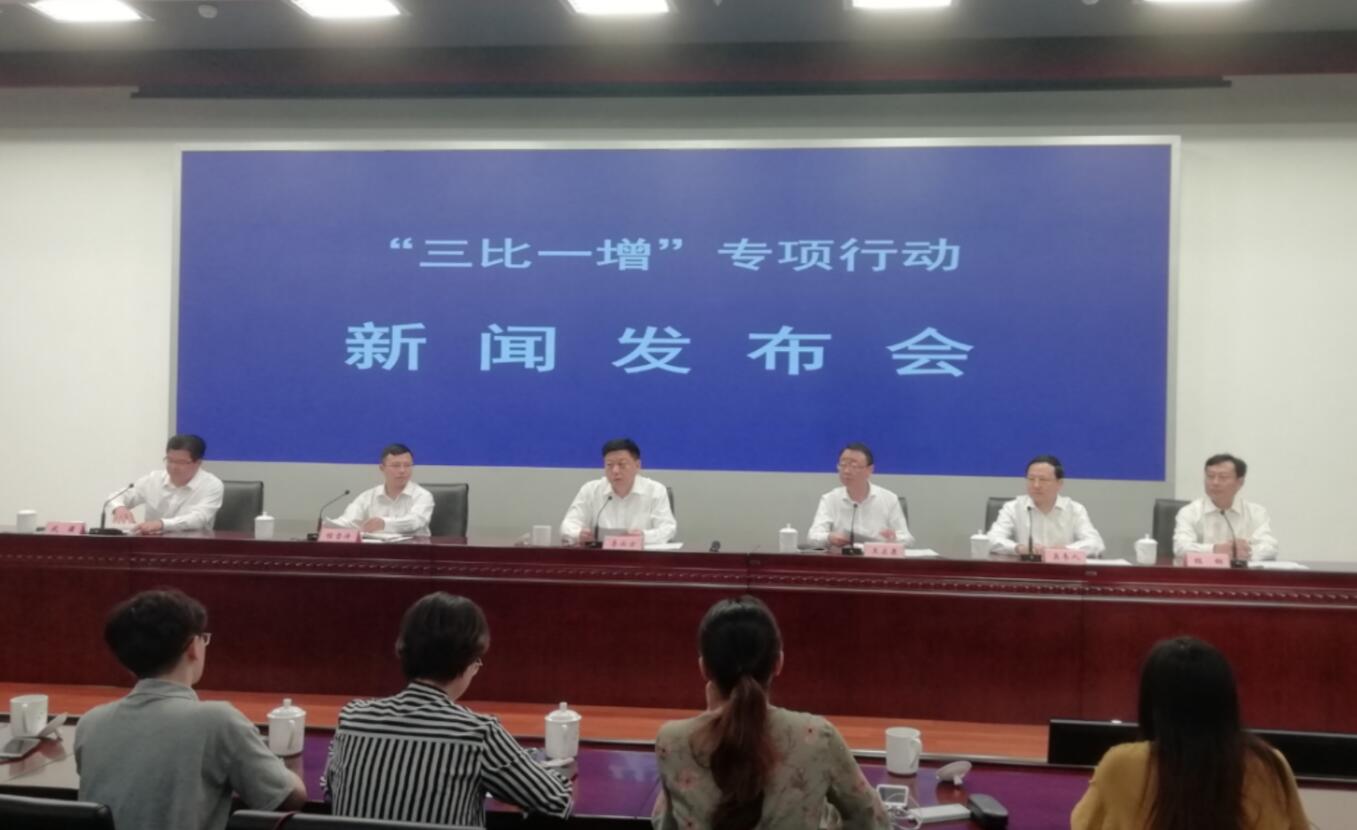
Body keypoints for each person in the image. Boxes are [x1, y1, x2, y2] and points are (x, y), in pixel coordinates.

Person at [324, 592, 572, 827]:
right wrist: (542, 773)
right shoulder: (478, 733)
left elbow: (331, 788)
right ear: (468, 662)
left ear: (403, 650)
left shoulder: (352, 719)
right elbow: (555, 801)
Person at [75, 589, 306, 830]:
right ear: (193, 646)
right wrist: (288, 763)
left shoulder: (90, 723)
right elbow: (288, 798)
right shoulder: (217, 721)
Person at [654, 596, 888, 830]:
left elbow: (666, 823)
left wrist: (712, 716)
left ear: (703, 667)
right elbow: (873, 820)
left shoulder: (673, 740)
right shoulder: (818, 736)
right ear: (778, 662)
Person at [1070, 636, 1308, 830]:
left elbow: (1083, 825)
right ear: (1226, 701)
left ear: (1152, 704)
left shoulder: (1121, 764)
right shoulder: (1269, 763)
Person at [560, 438, 677, 545]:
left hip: (642, 558)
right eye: (609, 465)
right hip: (602, 557)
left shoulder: (655, 491)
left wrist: (644, 536)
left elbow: (668, 529)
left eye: (622, 464)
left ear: (637, 465)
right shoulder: (590, 490)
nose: (615, 470)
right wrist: (578, 534)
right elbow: (567, 525)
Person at [987, 454, 1105, 557]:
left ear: (1059, 483)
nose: (1036, 485)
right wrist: (1019, 548)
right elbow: (991, 540)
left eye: (1043, 480)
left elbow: (1096, 543)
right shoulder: (1013, 507)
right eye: (1031, 479)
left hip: (1062, 570)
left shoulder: (1075, 510)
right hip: (1026, 569)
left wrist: (1065, 550)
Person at [109, 434, 224, 534]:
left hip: (194, 545)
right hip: (152, 543)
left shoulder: (212, 485)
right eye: (170, 460)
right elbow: (115, 497)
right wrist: (119, 507)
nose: (173, 467)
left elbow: (199, 519)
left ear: (198, 462)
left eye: (181, 462)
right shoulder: (154, 479)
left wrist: (161, 524)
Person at [1174, 454, 1278, 562]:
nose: (1215, 482)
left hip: (1242, 572)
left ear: (1240, 482)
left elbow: (1271, 547)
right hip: (1203, 572)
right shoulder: (1189, 512)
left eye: (1223, 477)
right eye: (1210, 476)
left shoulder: (1256, 512)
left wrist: (1245, 552)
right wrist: (1215, 550)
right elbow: (1180, 547)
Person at [807, 443, 913, 549]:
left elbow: (908, 539)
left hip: (877, 558)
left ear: (870, 470)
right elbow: (812, 537)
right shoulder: (830, 499)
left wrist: (894, 538)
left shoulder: (889, 499)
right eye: (843, 465)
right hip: (843, 557)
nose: (846, 471)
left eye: (854, 466)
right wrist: (829, 537)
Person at [329, 443, 435, 536]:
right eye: (396, 465)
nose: (402, 470)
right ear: (382, 468)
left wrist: (384, 523)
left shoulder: (423, 496)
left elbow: (415, 522)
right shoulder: (368, 496)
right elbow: (349, 521)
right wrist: (329, 526)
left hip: (413, 550)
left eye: (407, 465)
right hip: (376, 550)